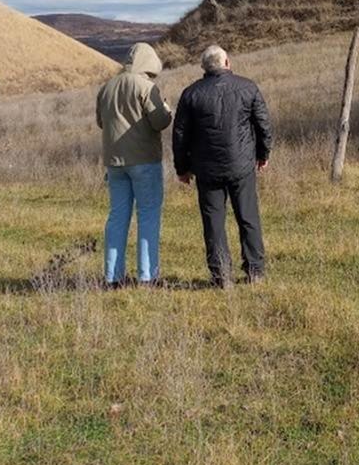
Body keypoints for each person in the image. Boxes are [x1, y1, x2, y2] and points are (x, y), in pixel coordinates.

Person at [172, 44, 272, 286]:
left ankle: (221, 275)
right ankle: (255, 270)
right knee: (248, 216)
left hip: (206, 169)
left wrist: (182, 168)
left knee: (213, 222)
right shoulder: (248, 87)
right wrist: (263, 154)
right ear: (227, 62)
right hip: (242, 164)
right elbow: (264, 125)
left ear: (204, 68)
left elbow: (180, 135)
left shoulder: (191, 94)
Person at [96, 42, 173, 287]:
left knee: (117, 217)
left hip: (114, 163)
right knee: (148, 215)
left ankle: (112, 277)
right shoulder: (145, 86)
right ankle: (147, 277)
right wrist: (167, 110)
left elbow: (101, 122)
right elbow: (159, 122)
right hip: (144, 160)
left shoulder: (106, 87)